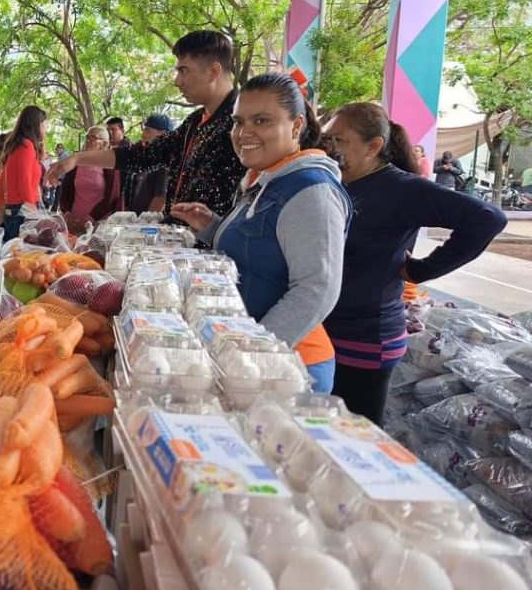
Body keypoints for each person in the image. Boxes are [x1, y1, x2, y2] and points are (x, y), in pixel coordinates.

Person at [322, 103, 507, 424]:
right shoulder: (340, 183)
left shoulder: (403, 189)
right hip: (329, 329)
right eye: (328, 139)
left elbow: (487, 219)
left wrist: (422, 270)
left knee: (356, 435)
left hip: (365, 337)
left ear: (374, 146)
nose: (330, 148)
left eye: (339, 140)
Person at [170, 72, 351, 394]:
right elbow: (262, 254)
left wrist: (246, 354)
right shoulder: (267, 180)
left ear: (296, 126)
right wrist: (213, 227)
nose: (243, 133)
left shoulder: (311, 191)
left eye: (262, 121)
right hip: (243, 357)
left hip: (286, 365)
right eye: (239, 122)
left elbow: (316, 289)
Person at [47, 30, 244, 219]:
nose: (177, 81)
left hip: (220, 250)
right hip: (184, 247)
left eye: (183, 71)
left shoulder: (242, 125)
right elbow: (140, 155)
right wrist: (77, 158)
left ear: (213, 71)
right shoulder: (193, 123)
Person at [58, 126, 121, 230]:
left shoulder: (110, 167)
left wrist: (91, 218)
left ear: (104, 144)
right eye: (87, 137)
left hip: (99, 224)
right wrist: (67, 213)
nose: (88, 141)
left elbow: (111, 197)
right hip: (74, 223)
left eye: (93, 138)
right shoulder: (76, 163)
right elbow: (65, 192)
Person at [2, 105, 47, 241]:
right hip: (22, 210)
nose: (45, 129)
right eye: (43, 124)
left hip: (19, 208)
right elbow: (24, 183)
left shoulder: (21, 145)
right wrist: (32, 212)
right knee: (21, 254)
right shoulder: (26, 146)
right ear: (35, 124)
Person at [127, 114, 173, 214]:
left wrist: (144, 225)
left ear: (162, 134)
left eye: (147, 130)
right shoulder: (150, 160)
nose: (142, 135)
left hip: (146, 226)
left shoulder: (164, 163)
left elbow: (160, 199)